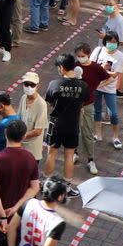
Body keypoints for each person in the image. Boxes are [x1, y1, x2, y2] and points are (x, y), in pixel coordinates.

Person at [44, 54, 89, 184]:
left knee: (51, 154)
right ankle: (67, 184)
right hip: (73, 125)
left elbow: (49, 102)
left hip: (56, 125)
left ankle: (47, 183)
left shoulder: (54, 84)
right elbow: (83, 103)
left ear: (61, 68)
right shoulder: (83, 86)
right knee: (69, 156)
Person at [74, 43, 109, 175]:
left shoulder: (96, 67)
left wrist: (96, 87)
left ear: (88, 55)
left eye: (82, 56)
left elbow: (109, 77)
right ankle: (74, 153)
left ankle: (90, 160)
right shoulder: (75, 66)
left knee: (87, 132)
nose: (80, 58)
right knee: (74, 130)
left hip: (87, 104)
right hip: (74, 104)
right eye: (78, 56)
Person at [91, 31, 123, 149]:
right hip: (96, 87)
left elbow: (115, 75)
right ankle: (98, 134)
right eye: (110, 41)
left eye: (115, 42)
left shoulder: (120, 56)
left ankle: (116, 137)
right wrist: (102, 69)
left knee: (113, 114)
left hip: (109, 88)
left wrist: (102, 74)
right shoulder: (98, 51)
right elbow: (91, 67)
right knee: (97, 111)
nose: (112, 44)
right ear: (105, 41)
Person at [17, 72, 48, 162]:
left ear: (37, 86)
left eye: (32, 85)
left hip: (32, 151)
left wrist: (19, 136)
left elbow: (38, 131)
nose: (29, 87)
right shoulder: (23, 98)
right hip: (20, 147)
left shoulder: (41, 104)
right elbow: (18, 118)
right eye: (26, 84)